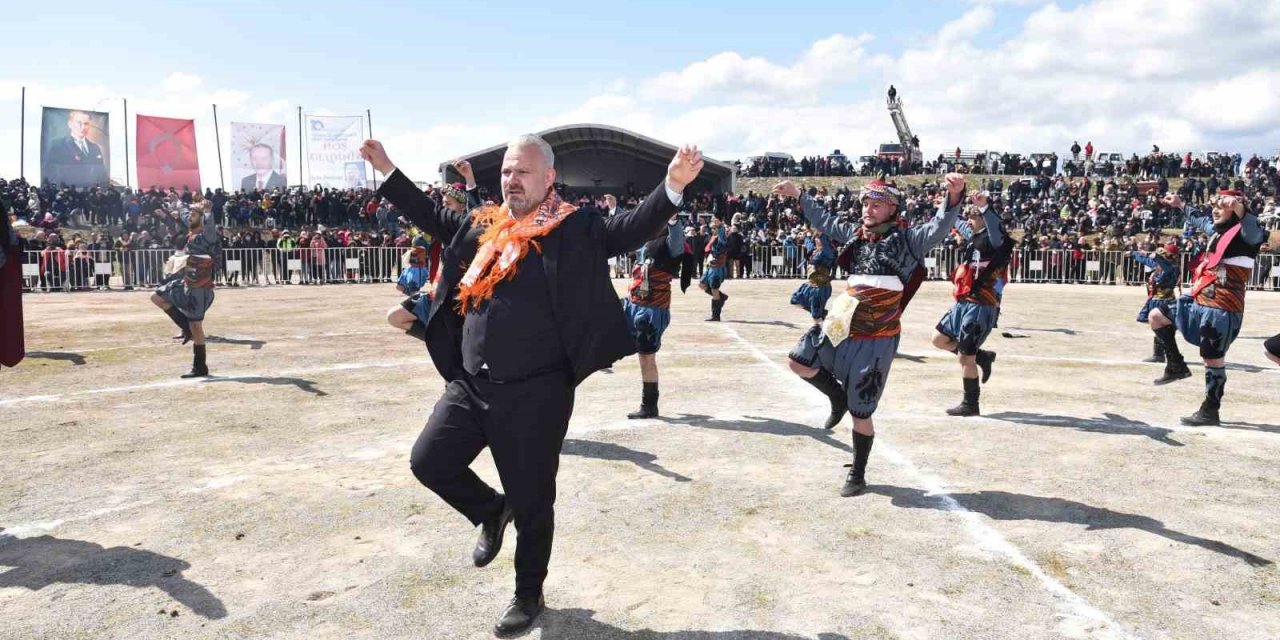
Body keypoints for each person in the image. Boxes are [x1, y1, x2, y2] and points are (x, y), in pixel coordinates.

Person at [361, 135, 702, 636]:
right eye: (506, 172)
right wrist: (388, 169)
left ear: (548, 178)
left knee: (534, 501)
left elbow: (627, 230)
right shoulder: (486, 223)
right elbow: (433, 217)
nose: (511, 181)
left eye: (522, 172)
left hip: (536, 393)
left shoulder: (573, 225)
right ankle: (490, 510)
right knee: (428, 461)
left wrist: (672, 184)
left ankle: (528, 593)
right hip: (472, 382)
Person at [775, 174, 966, 497]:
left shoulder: (909, 240)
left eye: (876, 205)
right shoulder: (855, 234)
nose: (868, 209)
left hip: (877, 336)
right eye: (865, 204)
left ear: (892, 209)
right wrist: (799, 195)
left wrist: (954, 195)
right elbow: (825, 220)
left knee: (861, 412)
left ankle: (858, 473)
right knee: (799, 361)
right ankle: (837, 397)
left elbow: (939, 226)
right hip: (842, 324)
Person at [1152, 192, 1265, 425]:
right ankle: (1175, 365)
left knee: (1212, 359)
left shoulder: (1247, 235)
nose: (1215, 210)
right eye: (1214, 205)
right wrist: (1180, 204)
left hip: (1223, 307)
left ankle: (1210, 409)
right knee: (1157, 316)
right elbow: (1198, 219)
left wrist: (1239, 207)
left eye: (1221, 206)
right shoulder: (1216, 231)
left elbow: (1253, 228)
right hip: (1199, 299)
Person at [930, 192, 1008, 416]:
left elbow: (995, 227)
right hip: (963, 301)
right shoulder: (974, 235)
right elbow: (959, 225)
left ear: (983, 219)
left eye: (973, 217)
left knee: (966, 357)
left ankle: (970, 403)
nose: (969, 221)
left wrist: (984, 207)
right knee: (939, 339)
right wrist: (946, 207)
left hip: (980, 304)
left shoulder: (995, 240)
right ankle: (982, 356)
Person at [386, 161, 480, 340]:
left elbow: (476, 213)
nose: (444, 207)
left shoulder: (468, 229)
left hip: (462, 300)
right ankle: (441, 344)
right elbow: (423, 231)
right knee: (395, 317)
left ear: (462, 207)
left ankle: (450, 346)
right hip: (439, 294)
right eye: (443, 203)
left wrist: (469, 178)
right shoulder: (440, 227)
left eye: (449, 204)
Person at [621, 218, 690, 419]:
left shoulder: (670, 242)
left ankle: (649, 405)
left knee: (646, 356)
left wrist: (672, 218)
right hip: (632, 303)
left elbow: (676, 238)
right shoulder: (644, 240)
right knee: (604, 313)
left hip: (652, 308)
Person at [150, 200, 218, 378]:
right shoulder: (190, 234)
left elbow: (209, 228)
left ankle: (200, 367)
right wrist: (171, 212)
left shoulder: (206, 236)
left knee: (197, 326)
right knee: (157, 297)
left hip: (200, 288)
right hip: (186, 283)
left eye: (193, 215)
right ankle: (185, 329)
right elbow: (182, 218)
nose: (190, 217)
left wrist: (208, 211)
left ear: (202, 219)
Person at [1130, 243, 1181, 366]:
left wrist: (1157, 257)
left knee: (1165, 328)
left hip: (1165, 301)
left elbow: (1166, 267)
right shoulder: (1160, 265)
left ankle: (1164, 354)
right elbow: (1147, 260)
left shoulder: (1172, 267)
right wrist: (1133, 254)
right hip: (1155, 300)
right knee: (1158, 328)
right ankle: (1159, 354)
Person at [43, 110, 108, 187]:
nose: (83, 127)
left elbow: (102, 174)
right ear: (70, 124)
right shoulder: (58, 145)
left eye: (86, 124)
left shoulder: (95, 147)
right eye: (79, 123)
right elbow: (51, 173)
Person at [789, 228, 834, 325]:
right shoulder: (816, 250)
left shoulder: (827, 252)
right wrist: (805, 237)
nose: (816, 240)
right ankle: (821, 313)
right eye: (816, 239)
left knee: (816, 317)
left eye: (819, 239)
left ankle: (819, 327)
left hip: (820, 288)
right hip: (810, 285)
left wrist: (818, 230)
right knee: (795, 300)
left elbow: (822, 241)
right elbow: (810, 246)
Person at [698, 217, 730, 321]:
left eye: (714, 227)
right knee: (702, 285)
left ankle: (715, 315)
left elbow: (722, 236)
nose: (712, 228)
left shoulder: (721, 238)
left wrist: (720, 225)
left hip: (717, 267)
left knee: (714, 289)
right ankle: (722, 297)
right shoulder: (713, 236)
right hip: (710, 266)